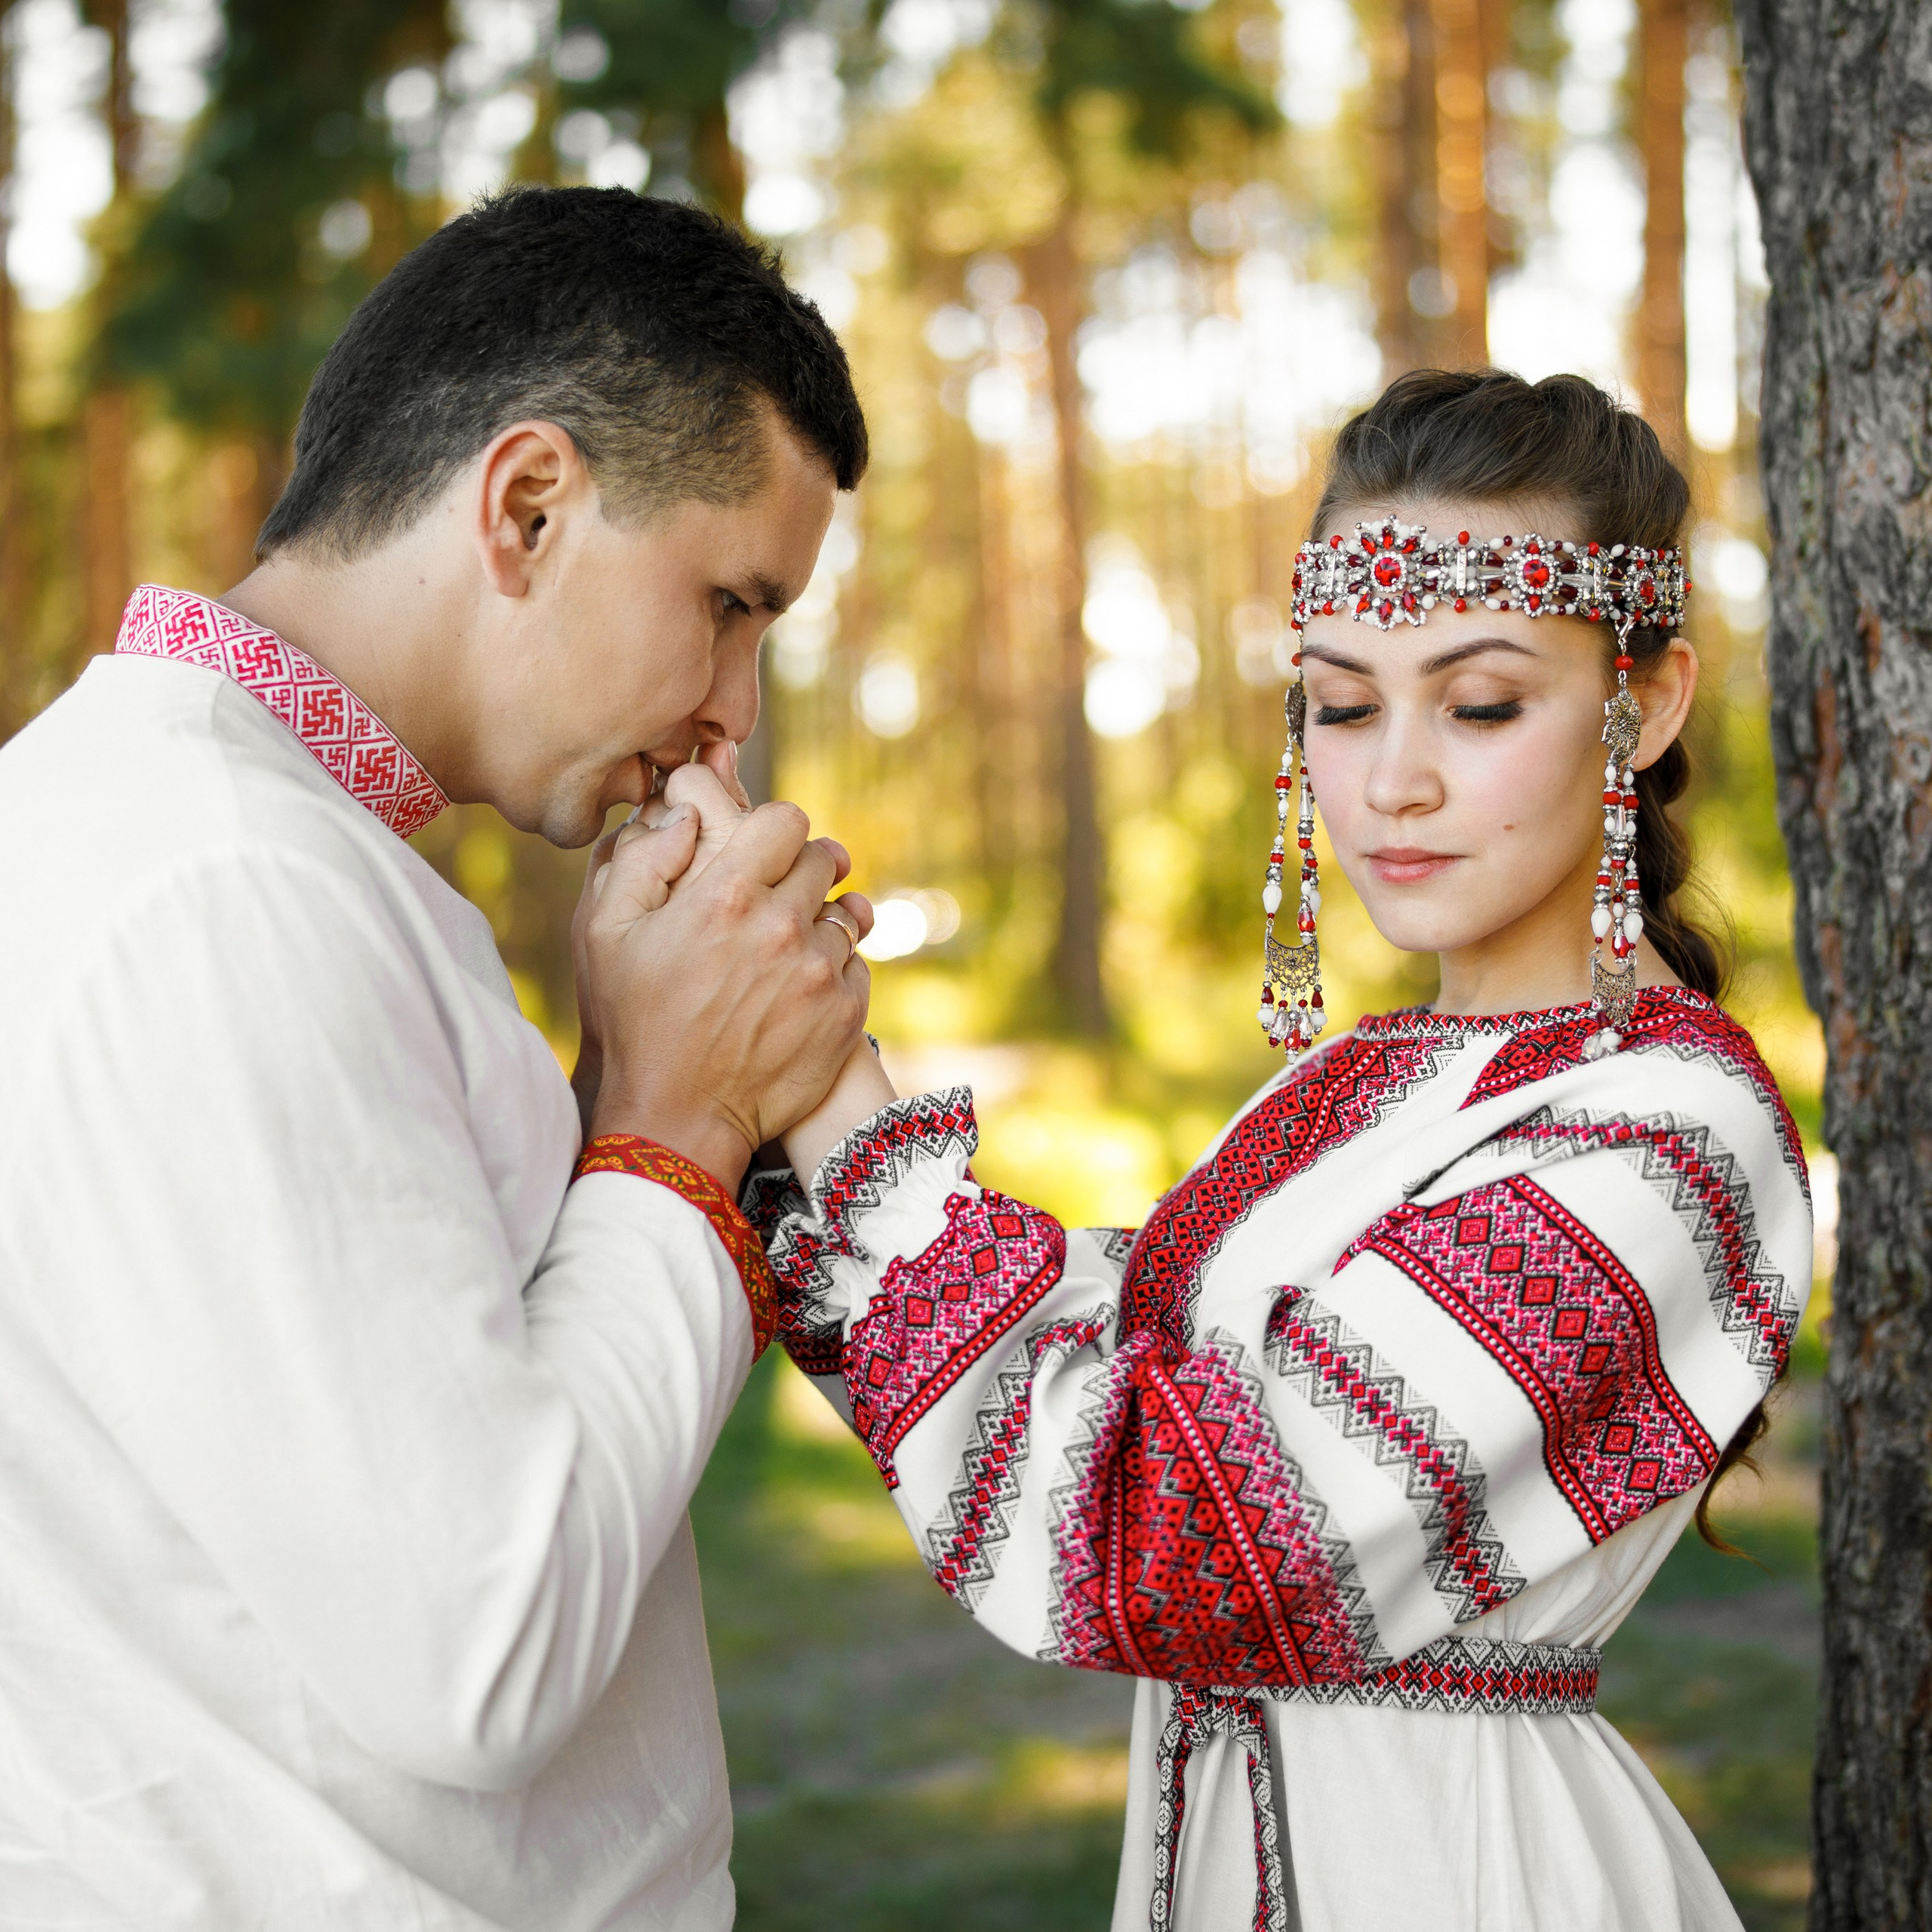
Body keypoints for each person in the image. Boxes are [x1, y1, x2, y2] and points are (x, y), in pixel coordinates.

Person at [691, 369, 1811, 1930]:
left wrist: (830, 1088)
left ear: (1651, 701)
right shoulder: (1344, 1088)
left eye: (1481, 703)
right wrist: (752, 1045)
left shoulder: (1673, 1128)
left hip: (1454, 1879)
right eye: (1342, 704)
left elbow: (1170, 1528)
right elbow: (1067, 1363)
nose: (1392, 777)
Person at [0, 187, 878, 1927]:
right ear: (528, 503)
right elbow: (484, 1642)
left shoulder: (200, 832)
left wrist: (636, 1094)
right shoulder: (226, 883)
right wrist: (676, 1121)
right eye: (726, 602)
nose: (733, 707)